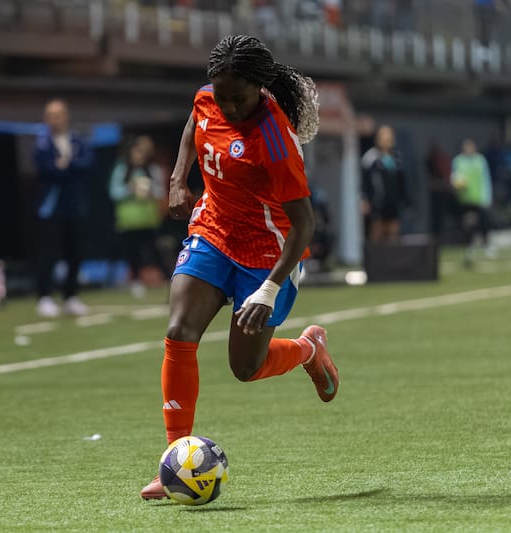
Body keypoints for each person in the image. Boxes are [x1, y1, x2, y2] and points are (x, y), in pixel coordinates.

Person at [140, 35, 339, 500]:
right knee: (179, 330)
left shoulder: (274, 138)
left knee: (245, 368)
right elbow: (195, 120)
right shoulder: (210, 97)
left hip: (269, 253)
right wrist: (177, 180)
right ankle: (174, 462)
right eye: (220, 95)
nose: (226, 107)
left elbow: (304, 224)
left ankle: (309, 350)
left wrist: (268, 290)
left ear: (259, 88)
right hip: (213, 231)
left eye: (237, 98)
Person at [34, 99, 93, 317]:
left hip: (74, 206)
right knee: (48, 252)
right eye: (50, 115)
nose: (54, 119)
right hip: (50, 207)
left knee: (75, 252)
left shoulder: (77, 141)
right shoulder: (42, 143)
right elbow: (46, 168)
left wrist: (67, 165)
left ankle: (70, 296)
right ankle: (45, 296)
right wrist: (66, 168)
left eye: (58, 114)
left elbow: (86, 165)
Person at [108, 135, 167, 298]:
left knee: (153, 251)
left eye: (141, 152)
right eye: (136, 152)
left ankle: (164, 281)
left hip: (148, 220)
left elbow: (160, 192)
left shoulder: (152, 169)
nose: (138, 156)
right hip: (128, 221)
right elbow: (114, 192)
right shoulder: (122, 169)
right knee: (131, 253)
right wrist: (130, 188)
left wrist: (149, 191)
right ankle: (136, 282)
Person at [361, 125, 407, 243]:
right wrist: (364, 199)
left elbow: (401, 182)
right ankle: (375, 258)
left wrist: (405, 200)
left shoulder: (397, 158)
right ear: (378, 138)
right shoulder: (370, 157)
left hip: (393, 202)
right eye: (384, 136)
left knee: (393, 232)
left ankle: (392, 259)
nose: (387, 139)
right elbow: (364, 180)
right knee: (377, 232)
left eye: (389, 136)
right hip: (377, 203)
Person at [451, 138, 494, 265]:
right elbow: (454, 177)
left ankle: (487, 245)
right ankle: (469, 247)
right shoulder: (457, 161)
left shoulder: (480, 160)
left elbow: (486, 178)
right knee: (468, 225)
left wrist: (487, 196)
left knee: (484, 222)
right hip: (465, 200)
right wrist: (457, 184)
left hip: (479, 198)